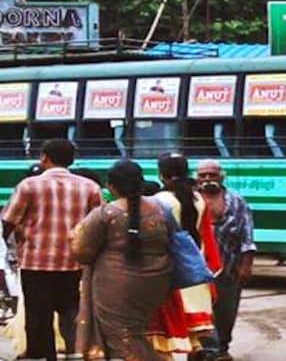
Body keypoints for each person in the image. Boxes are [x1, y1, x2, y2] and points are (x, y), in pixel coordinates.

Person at [1, 139, 102, 361]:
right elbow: (99, 225)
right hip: (74, 263)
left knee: (38, 316)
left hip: (35, 263)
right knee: (72, 311)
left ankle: (44, 356)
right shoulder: (90, 187)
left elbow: (8, 221)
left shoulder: (29, 186)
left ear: (44, 157)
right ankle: (75, 353)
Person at [69, 160, 174, 361]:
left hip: (115, 283)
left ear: (111, 186)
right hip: (158, 280)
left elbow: (81, 250)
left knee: (121, 337)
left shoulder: (106, 213)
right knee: (138, 330)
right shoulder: (161, 209)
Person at [148, 153, 221, 361]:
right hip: (196, 272)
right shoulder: (199, 199)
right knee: (194, 339)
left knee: (168, 340)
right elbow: (207, 235)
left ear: (162, 175)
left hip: (174, 275)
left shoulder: (159, 201)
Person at [195, 159, 255, 361]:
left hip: (228, 268)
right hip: (196, 270)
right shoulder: (190, 200)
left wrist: (246, 265)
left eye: (212, 175)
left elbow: (247, 237)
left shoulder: (237, 202)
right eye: (203, 175)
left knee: (226, 313)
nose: (207, 179)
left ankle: (222, 347)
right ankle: (206, 350)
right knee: (200, 312)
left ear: (221, 177)